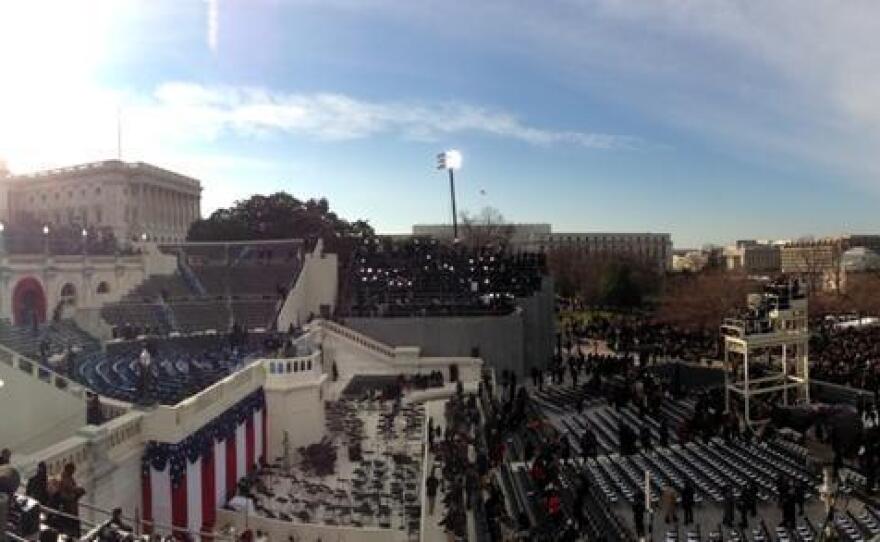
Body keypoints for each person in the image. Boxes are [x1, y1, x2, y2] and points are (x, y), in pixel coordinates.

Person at [57, 462, 86, 538]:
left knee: (74, 524)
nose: (74, 472)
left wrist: (77, 492)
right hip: (68, 508)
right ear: (69, 470)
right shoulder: (63, 480)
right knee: (71, 526)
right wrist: (75, 493)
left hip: (72, 507)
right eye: (73, 470)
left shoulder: (70, 478)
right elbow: (63, 494)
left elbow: (73, 488)